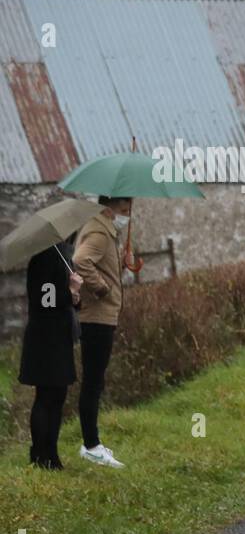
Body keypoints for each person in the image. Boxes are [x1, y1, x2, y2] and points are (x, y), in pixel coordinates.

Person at [72, 195, 132, 468]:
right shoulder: (99, 231)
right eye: (124, 210)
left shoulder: (107, 231)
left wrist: (121, 262)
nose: (126, 215)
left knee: (96, 379)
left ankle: (92, 442)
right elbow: (81, 260)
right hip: (97, 316)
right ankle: (91, 445)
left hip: (103, 315)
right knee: (93, 381)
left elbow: (100, 265)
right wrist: (102, 288)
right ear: (109, 208)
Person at [20, 242, 82, 469]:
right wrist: (71, 291)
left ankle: (52, 455)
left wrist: (75, 297)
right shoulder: (44, 258)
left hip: (59, 337)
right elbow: (46, 299)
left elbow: (67, 300)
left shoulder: (63, 255)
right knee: (46, 396)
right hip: (45, 338)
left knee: (57, 396)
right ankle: (39, 455)